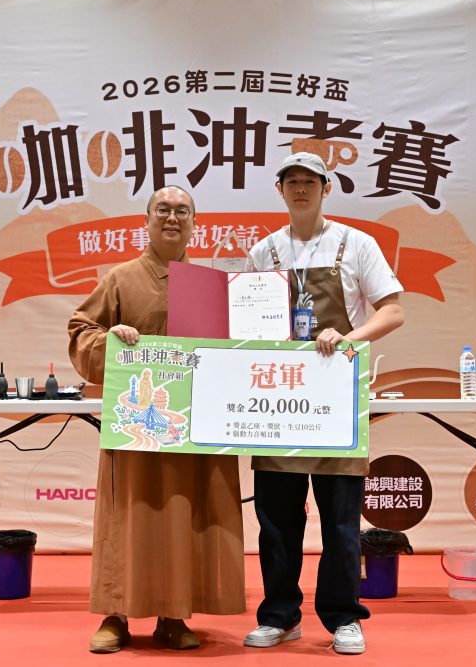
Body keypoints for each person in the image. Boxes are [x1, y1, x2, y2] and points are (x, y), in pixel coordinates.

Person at [67, 186, 245, 653]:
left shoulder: (211, 285)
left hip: (193, 422)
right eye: (162, 210)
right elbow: (81, 330)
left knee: (182, 515)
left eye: (182, 211)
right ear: (145, 221)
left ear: (194, 225)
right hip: (136, 421)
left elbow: (235, 348)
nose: (172, 218)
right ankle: (115, 615)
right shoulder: (121, 278)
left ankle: (173, 615)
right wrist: (111, 339)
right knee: (128, 515)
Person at [243, 153, 404, 655]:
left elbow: (393, 311)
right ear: (280, 190)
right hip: (276, 399)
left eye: (309, 182)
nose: (300, 189)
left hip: (336, 399)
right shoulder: (264, 251)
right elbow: (246, 323)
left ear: (325, 188)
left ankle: (344, 618)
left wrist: (348, 337)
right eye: (291, 181)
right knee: (276, 521)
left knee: (340, 521)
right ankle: (279, 616)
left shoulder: (357, 244)